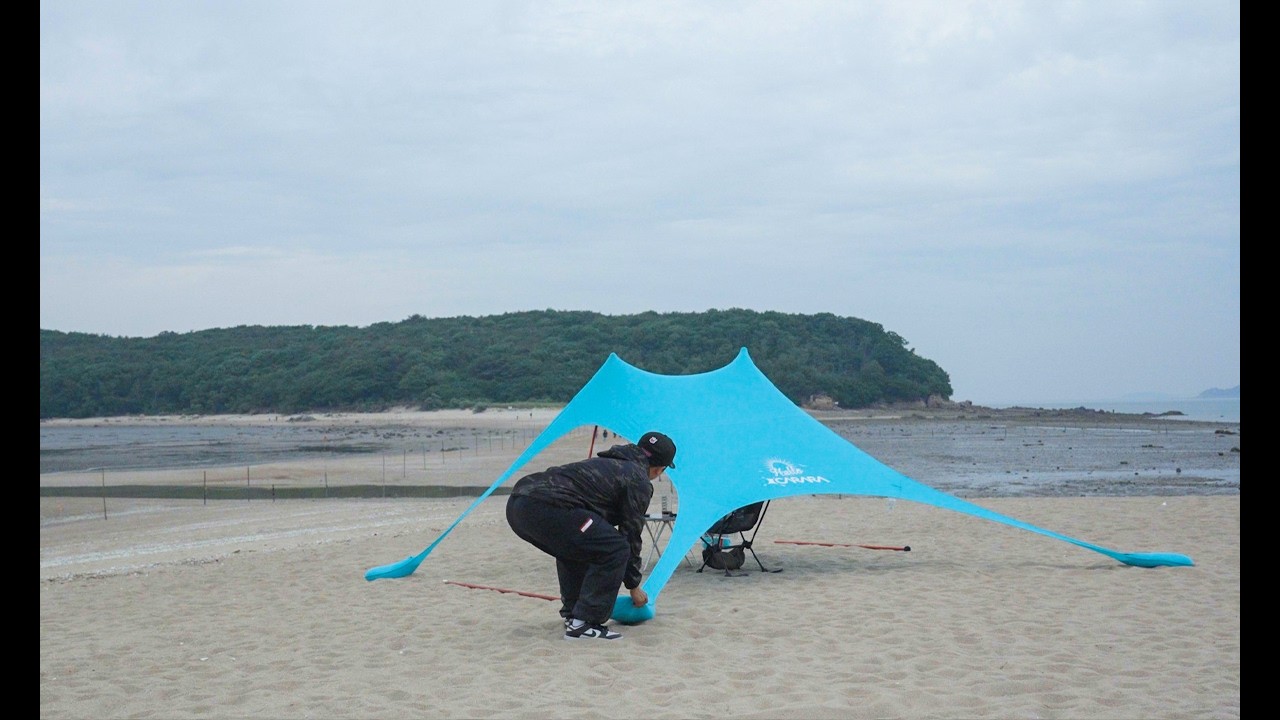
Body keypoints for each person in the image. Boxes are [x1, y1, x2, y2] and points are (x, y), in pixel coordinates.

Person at [505, 430, 678, 640]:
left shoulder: (610, 463)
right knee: (616, 548)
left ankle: (574, 614)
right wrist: (633, 586)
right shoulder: (638, 479)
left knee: (579, 547)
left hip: (518, 504)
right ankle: (584, 623)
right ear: (660, 470)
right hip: (549, 504)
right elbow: (630, 534)